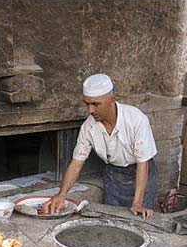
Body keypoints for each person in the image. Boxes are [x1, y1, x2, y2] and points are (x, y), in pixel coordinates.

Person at [43, 73, 158, 219]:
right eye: (87, 104)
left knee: (140, 220)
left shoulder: (136, 119)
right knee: (112, 221)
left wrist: (138, 202)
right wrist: (62, 194)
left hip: (142, 174)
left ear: (111, 99)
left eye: (96, 104)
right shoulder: (88, 127)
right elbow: (76, 164)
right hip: (114, 175)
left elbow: (143, 163)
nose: (90, 110)